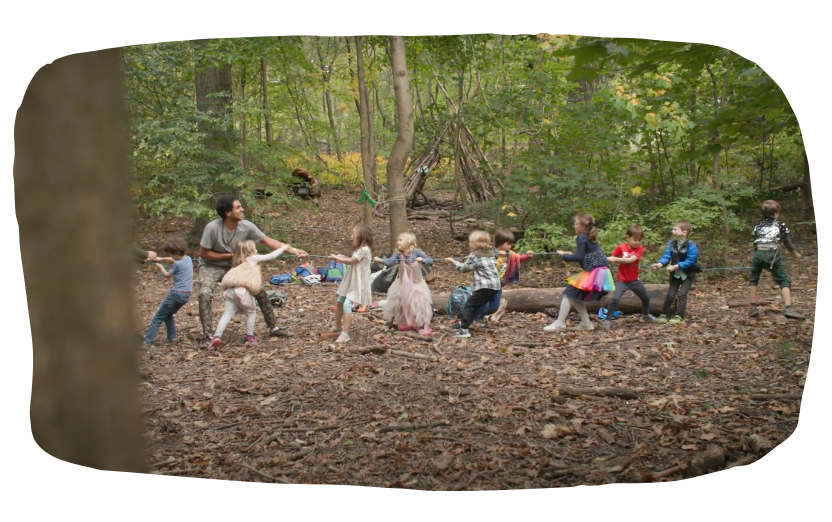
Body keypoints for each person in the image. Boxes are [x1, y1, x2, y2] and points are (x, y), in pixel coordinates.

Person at [197, 195, 307, 344]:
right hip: (211, 265)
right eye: (238, 207)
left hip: (236, 265)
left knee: (259, 291)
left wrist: (293, 250)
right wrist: (230, 255)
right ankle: (208, 336)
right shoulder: (212, 228)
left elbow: (268, 241)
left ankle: (274, 327)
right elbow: (204, 253)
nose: (242, 209)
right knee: (205, 293)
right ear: (228, 212)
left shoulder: (246, 226)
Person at [207, 240, 290, 347]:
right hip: (242, 291)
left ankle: (216, 336)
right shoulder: (252, 258)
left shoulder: (237, 262)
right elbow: (271, 256)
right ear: (251, 250)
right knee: (251, 312)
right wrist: (282, 248)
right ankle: (249, 336)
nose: (256, 250)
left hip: (230, 291)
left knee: (226, 315)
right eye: (254, 248)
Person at [544, 213, 614, 332]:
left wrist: (564, 256)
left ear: (582, 226)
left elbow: (579, 257)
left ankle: (560, 323)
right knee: (575, 296)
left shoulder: (581, 237)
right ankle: (586, 323)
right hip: (601, 271)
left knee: (568, 293)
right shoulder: (587, 236)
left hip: (595, 272)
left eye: (576, 224)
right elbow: (584, 254)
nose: (574, 226)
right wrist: (570, 254)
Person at [748, 200, 802, 319]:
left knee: (753, 279)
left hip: (759, 252)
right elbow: (787, 241)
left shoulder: (758, 226)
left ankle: (752, 307)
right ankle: (788, 308)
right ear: (776, 213)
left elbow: (755, 241)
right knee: (783, 280)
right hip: (772, 254)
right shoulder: (780, 225)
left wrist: (759, 255)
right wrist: (795, 254)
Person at [444, 231, 501, 339]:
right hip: (495, 287)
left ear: (478, 243)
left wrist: (453, 261)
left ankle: (464, 330)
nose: (469, 244)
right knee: (475, 305)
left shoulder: (474, 255)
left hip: (484, 287)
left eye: (471, 242)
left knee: (469, 305)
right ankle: (467, 323)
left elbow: (464, 268)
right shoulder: (490, 253)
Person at [323, 225, 374, 344]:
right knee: (340, 301)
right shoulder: (359, 250)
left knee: (347, 304)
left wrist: (338, 258)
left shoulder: (364, 250)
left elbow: (351, 261)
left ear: (361, 237)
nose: (351, 237)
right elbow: (353, 260)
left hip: (358, 282)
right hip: (352, 279)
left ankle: (345, 334)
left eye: (353, 234)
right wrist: (342, 257)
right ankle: (337, 326)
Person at [377, 232, 434, 335]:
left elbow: (430, 260)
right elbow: (390, 262)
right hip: (402, 284)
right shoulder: (399, 255)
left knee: (419, 303)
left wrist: (423, 260)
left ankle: (420, 324)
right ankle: (390, 321)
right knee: (396, 301)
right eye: (398, 240)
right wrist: (381, 260)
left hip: (416, 283)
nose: (398, 242)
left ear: (409, 241)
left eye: (400, 240)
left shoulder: (417, 253)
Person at [602, 225, 658, 330]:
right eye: (635, 240)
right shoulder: (621, 247)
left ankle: (646, 315)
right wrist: (610, 259)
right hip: (622, 280)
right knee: (615, 299)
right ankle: (607, 320)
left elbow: (630, 260)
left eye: (639, 240)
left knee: (646, 297)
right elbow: (612, 256)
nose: (637, 242)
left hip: (634, 280)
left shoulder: (640, 249)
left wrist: (616, 260)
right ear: (628, 237)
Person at [144, 238, 193, 347]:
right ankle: (172, 337)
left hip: (176, 294)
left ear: (176, 253)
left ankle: (146, 342)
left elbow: (167, 275)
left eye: (171, 254)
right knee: (168, 315)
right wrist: (161, 258)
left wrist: (160, 266)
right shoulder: (188, 259)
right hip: (186, 295)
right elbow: (174, 259)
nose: (170, 256)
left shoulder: (177, 264)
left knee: (157, 318)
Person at [651, 220, 701, 324]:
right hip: (675, 274)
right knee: (671, 294)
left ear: (684, 232)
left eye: (675, 229)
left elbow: (690, 261)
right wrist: (660, 264)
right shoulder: (671, 243)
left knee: (682, 294)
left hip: (688, 274)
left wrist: (675, 266)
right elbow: (666, 256)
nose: (672, 231)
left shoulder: (691, 246)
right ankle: (664, 314)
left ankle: (679, 315)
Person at [487, 229, 535, 322]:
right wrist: (500, 257)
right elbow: (491, 267)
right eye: (508, 244)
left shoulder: (509, 253)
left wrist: (527, 256)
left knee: (495, 304)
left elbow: (518, 258)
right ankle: (481, 315)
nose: (510, 246)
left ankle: (491, 313)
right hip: (489, 283)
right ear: (500, 243)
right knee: (486, 300)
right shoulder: (492, 254)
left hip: (499, 283)